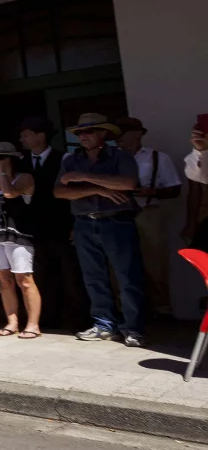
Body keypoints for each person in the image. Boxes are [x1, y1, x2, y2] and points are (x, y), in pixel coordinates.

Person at [56, 113, 148, 347]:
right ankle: (104, 324)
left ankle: (133, 327)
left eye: (90, 131)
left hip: (117, 221)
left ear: (104, 134)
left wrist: (84, 178)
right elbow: (60, 192)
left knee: (127, 276)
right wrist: (101, 189)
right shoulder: (70, 160)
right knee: (93, 276)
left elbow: (128, 184)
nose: (83, 136)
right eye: (80, 133)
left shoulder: (120, 157)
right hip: (84, 222)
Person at [18, 116, 85, 330]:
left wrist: (75, 224)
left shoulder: (65, 159)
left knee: (71, 275)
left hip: (61, 227)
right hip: (32, 229)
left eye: (26, 134)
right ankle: (47, 318)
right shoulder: (21, 162)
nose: (23, 139)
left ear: (41, 135)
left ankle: (79, 319)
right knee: (40, 276)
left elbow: (74, 193)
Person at [113, 117, 182, 317]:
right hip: (118, 213)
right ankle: (124, 310)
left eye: (123, 133)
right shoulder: (111, 158)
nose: (119, 138)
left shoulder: (158, 158)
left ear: (138, 134)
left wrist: (152, 192)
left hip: (148, 212)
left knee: (156, 264)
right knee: (118, 264)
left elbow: (175, 189)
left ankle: (161, 310)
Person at [0, 142, 41, 339]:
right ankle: (12, 322)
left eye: (0, 158)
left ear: (12, 159)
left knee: (25, 280)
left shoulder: (25, 178)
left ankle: (32, 324)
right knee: (4, 281)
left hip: (18, 236)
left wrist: (4, 173)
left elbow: (9, 193)